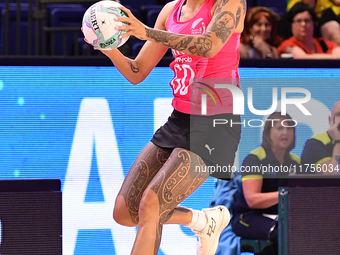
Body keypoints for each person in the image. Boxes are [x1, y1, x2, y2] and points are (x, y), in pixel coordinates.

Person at [84, 0, 246, 254]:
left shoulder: (229, 3)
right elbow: (137, 71)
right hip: (180, 118)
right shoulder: (172, 10)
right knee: (125, 212)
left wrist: (145, 31)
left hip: (217, 122)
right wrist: (107, 46)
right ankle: (203, 221)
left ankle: (203, 222)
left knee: (151, 204)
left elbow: (210, 45)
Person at [232, 112, 300, 255]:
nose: (285, 132)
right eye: (280, 128)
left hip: (282, 217)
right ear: (268, 133)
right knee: (284, 233)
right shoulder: (255, 159)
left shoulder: (296, 162)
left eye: (289, 128)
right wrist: (286, 195)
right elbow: (253, 200)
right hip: (249, 217)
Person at [301, 101, 340, 173]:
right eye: (338, 115)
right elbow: (333, 174)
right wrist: (338, 141)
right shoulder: (314, 143)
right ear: (329, 120)